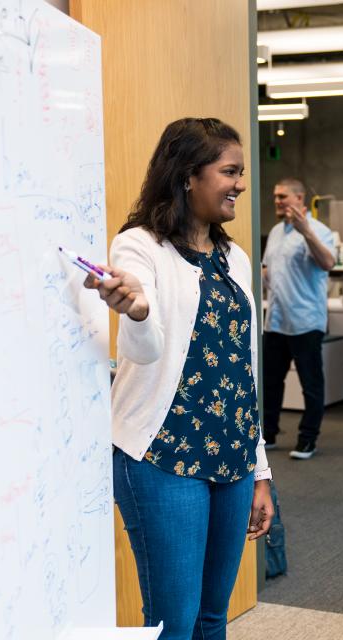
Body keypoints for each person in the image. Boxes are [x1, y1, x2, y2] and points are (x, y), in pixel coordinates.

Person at [84, 117, 273, 640]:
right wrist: (138, 311)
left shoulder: (234, 257)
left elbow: (243, 372)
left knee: (214, 616)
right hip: (164, 454)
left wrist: (260, 470)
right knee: (175, 621)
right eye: (229, 171)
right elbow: (143, 351)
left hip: (232, 455)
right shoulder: (139, 246)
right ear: (188, 175)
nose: (239, 183)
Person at [261, 178, 336, 459]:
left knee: (311, 385)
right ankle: (268, 432)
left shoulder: (320, 231)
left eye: (283, 196)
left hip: (305, 321)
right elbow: (270, 270)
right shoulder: (276, 232)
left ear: (300, 198)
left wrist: (306, 232)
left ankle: (308, 439)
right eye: (275, 196)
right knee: (270, 382)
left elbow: (328, 263)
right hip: (277, 321)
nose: (278, 201)